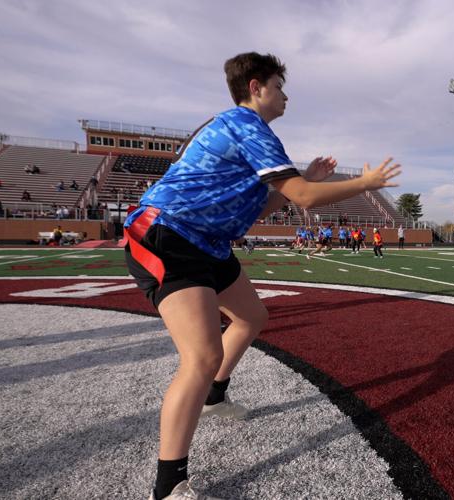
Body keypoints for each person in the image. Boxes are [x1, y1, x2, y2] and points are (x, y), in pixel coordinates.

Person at [122, 51, 401, 500]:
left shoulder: (245, 130)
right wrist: (363, 184)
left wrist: (303, 180)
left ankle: (215, 398)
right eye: (279, 86)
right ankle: (169, 484)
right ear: (256, 87)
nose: (285, 95)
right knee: (201, 354)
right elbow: (305, 198)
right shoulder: (247, 125)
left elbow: (271, 202)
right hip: (168, 233)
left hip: (204, 241)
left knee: (251, 317)